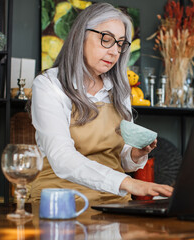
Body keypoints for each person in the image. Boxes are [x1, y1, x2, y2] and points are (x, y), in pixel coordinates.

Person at [30, 2, 173, 207]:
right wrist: (127, 182)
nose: (115, 51)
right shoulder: (49, 85)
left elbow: (121, 158)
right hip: (62, 202)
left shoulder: (119, 90)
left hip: (114, 201)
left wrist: (134, 154)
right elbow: (61, 158)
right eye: (106, 39)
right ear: (81, 36)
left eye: (120, 44)